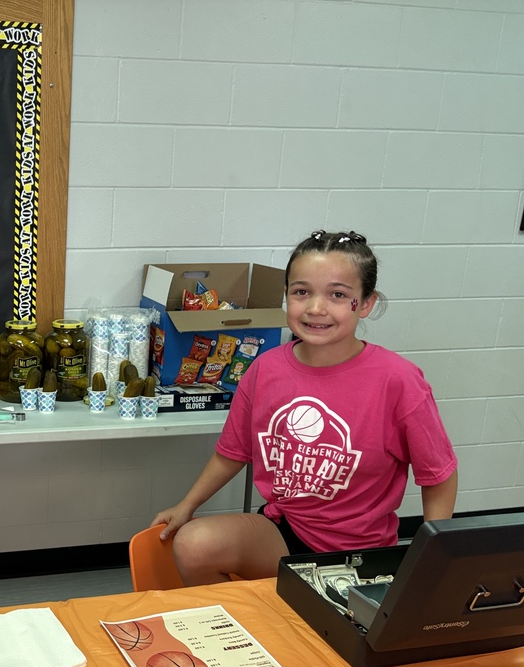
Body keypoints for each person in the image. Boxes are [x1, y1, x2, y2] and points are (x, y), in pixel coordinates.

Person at [152, 230, 458, 585]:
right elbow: (232, 452)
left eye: (338, 295)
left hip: (356, 554)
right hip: (283, 532)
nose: (316, 308)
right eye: (301, 292)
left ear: (367, 303)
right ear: (286, 298)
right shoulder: (265, 369)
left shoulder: (399, 381)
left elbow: (438, 476)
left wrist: (434, 553)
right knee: (194, 544)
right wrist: (186, 505)